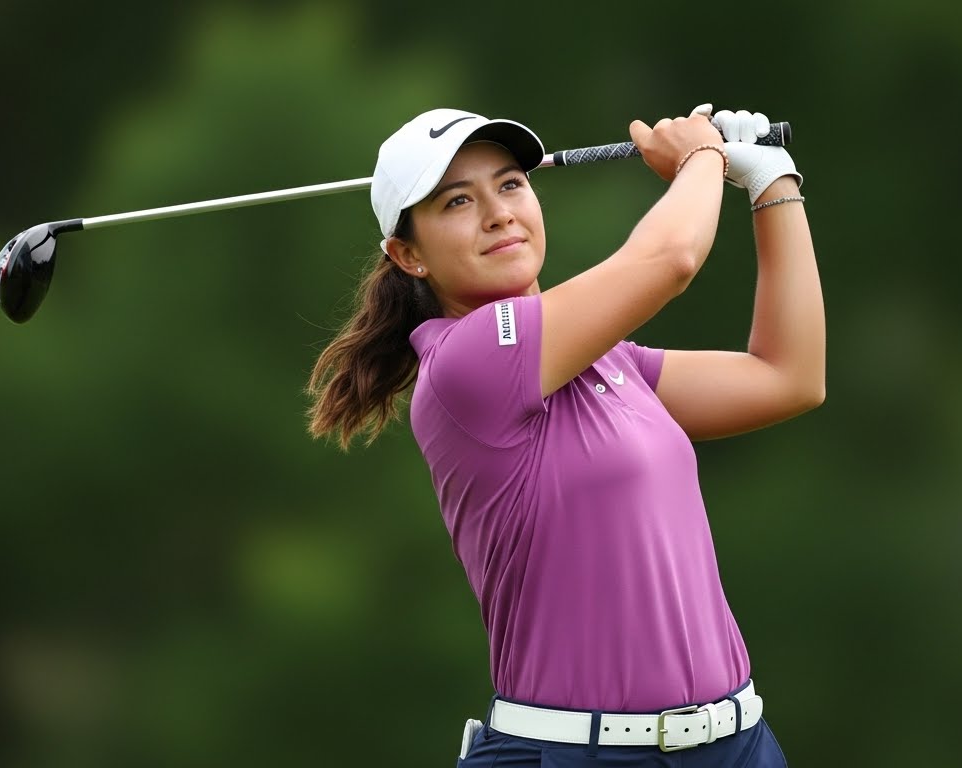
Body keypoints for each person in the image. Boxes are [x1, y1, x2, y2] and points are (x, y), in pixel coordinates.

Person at [305, 102, 824, 766]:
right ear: (409, 255)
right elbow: (671, 258)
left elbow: (788, 377)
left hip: (737, 745)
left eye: (510, 184)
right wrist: (701, 155)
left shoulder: (612, 363)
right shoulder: (467, 362)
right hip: (573, 753)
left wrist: (773, 183)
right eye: (458, 201)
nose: (498, 213)